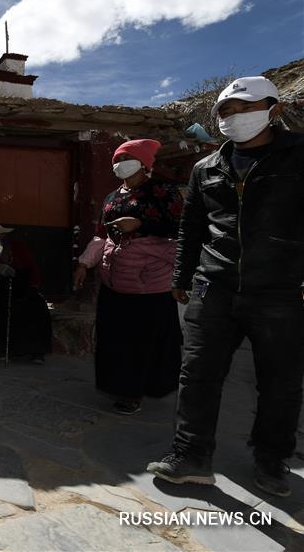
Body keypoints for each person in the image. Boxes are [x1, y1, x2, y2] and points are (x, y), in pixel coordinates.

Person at [146, 76, 304, 497]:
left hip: (282, 290)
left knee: (280, 382)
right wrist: (181, 278)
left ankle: (272, 461)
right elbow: (191, 228)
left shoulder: (299, 156)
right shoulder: (206, 168)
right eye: (226, 112)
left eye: (245, 108)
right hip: (213, 285)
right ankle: (189, 456)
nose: (234, 118)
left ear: (275, 109)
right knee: (197, 374)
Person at [73, 139, 184, 415]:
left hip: (151, 282)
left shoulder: (163, 191)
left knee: (144, 341)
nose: (119, 164)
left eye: (126, 158)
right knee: (115, 339)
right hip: (115, 279)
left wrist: (141, 224)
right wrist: (84, 264)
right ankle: (123, 389)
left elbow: (180, 229)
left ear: (144, 163)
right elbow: (102, 235)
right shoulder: (112, 198)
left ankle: (139, 391)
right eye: (116, 160)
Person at [0, 220, 51, 364]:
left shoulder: (16, 246)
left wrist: (34, 285)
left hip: (22, 285)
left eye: (1, 235)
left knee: (37, 307)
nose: (0, 238)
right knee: (3, 309)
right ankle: (10, 350)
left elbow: (31, 267)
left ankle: (36, 351)